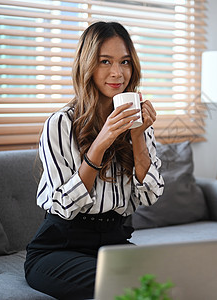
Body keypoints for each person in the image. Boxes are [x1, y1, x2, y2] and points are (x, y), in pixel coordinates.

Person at [24, 21, 164, 300]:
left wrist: (137, 136)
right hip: (59, 247)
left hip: (114, 242)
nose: (117, 72)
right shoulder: (60, 124)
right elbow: (64, 206)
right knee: (122, 286)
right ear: (88, 66)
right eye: (105, 61)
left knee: (169, 280)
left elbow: (150, 196)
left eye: (125, 62)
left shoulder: (137, 122)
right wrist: (101, 143)